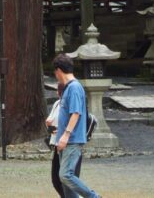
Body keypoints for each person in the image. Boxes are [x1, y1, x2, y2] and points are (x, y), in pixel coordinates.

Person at [52, 54, 101, 198]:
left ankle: (93, 197)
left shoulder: (74, 87)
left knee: (65, 175)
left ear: (58, 70)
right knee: (66, 184)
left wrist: (66, 135)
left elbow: (76, 113)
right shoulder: (69, 88)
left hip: (72, 140)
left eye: (55, 73)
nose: (56, 76)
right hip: (65, 141)